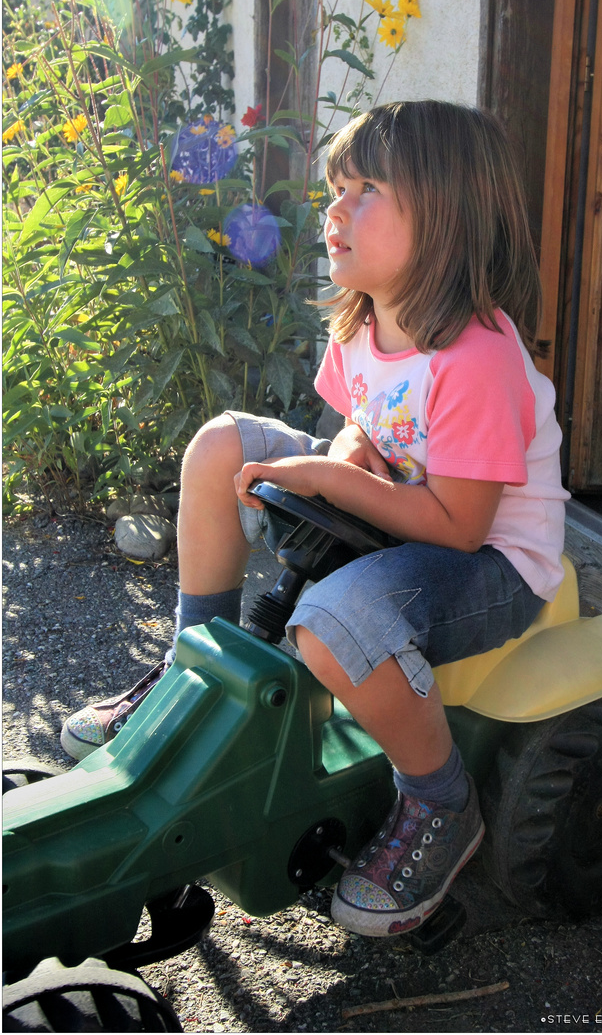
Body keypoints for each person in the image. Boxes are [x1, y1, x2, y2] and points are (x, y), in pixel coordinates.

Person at [61, 100, 570, 937]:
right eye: (336, 187)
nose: (333, 208)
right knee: (222, 445)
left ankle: (442, 803)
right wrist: (346, 456)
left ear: (446, 218)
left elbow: (457, 527)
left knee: (331, 624)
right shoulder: (370, 318)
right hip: (408, 512)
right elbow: (370, 421)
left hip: (491, 563)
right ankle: (191, 671)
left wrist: (327, 478)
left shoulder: (478, 357)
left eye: (365, 189)